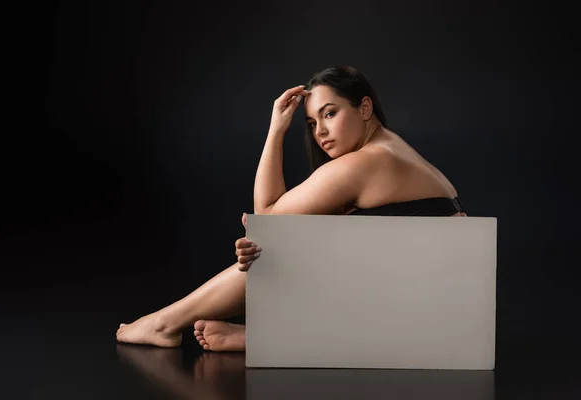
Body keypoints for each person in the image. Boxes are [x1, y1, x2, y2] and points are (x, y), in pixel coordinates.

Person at [116, 65, 467, 351]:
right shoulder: (393, 150)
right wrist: (279, 230)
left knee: (276, 251)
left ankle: (164, 323)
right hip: (430, 296)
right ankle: (257, 338)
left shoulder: (368, 162)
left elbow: (266, 218)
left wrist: (275, 130)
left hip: (419, 308)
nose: (321, 132)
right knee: (286, 243)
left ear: (364, 108)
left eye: (330, 114)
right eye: (312, 123)